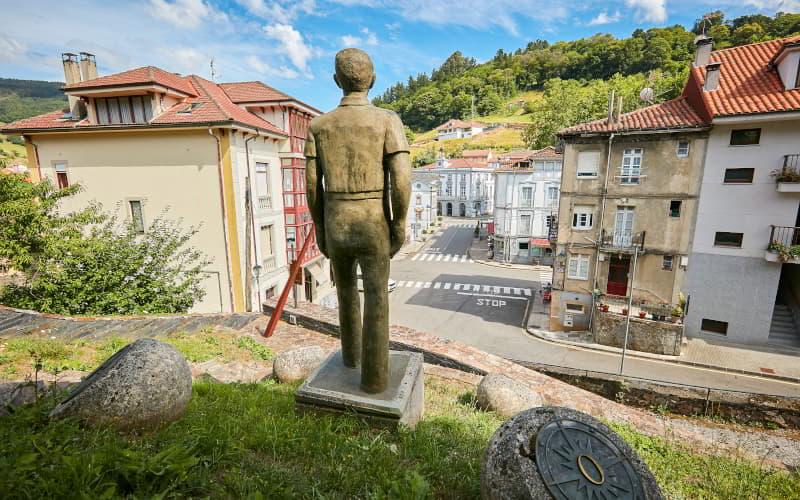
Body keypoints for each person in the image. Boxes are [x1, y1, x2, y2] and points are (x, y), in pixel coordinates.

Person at [304, 48, 411, 394]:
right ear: (373, 80)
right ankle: (375, 379)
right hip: (372, 221)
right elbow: (402, 179)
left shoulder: (319, 126)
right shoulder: (386, 120)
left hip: (336, 218)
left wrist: (320, 226)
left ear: (336, 81)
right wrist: (398, 224)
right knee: (378, 295)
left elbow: (310, 186)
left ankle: (350, 357)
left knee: (346, 290)